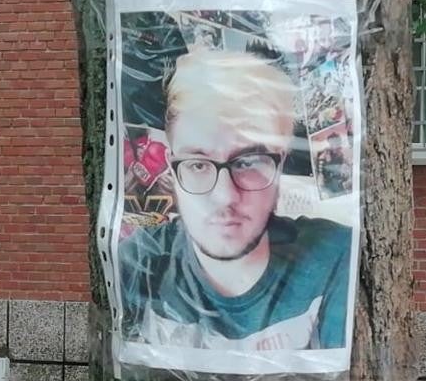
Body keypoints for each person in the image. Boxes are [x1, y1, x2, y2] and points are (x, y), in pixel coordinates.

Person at [118, 50, 353, 353]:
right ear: (171, 166)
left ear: (279, 165)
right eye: (198, 165)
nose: (225, 196)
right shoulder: (138, 264)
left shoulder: (335, 257)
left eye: (249, 162)